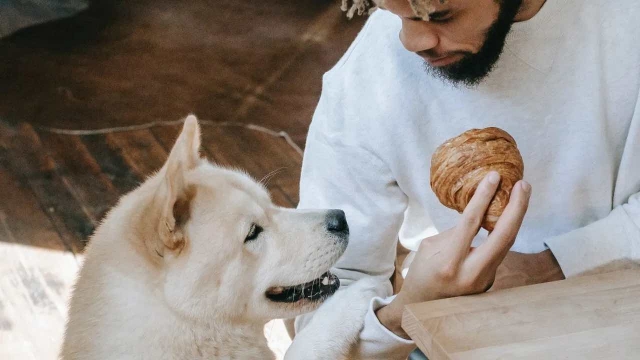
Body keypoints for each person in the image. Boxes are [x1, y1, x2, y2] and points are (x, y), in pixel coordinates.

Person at [293, 0, 640, 358]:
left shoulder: (626, 24)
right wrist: (411, 309)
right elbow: (318, 312)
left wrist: (550, 266)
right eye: (394, 14)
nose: (411, 41)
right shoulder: (364, 82)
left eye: (439, 16)